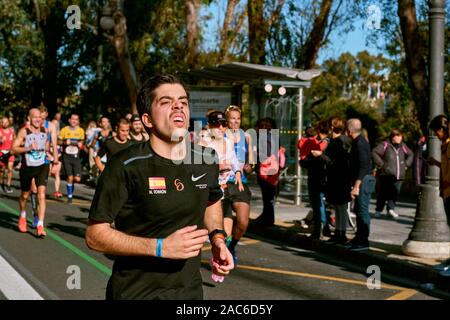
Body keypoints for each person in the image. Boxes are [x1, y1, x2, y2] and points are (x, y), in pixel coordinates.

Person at [86, 74, 233, 300]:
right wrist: (159, 248)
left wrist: (217, 239)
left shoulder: (206, 159)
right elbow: (95, 236)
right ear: (147, 119)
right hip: (135, 294)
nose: (178, 107)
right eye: (166, 102)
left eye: (183, 102)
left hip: (189, 294)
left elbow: (211, 200)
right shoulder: (125, 164)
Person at [198, 111, 243, 240]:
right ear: (209, 126)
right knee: (208, 233)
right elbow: (197, 167)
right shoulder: (203, 143)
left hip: (224, 189)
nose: (221, 128)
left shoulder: (228, 142)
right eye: (216, 125)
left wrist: (238, 173)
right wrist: (217, 167)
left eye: (224, 124)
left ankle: (221, 256)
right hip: (208, 193)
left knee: (227, 233)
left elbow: (234, 160)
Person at [12, 108, 57, 237]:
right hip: (27, 167)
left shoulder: (45, 130)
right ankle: (22, 216)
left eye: (40, 117)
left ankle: (40, 225)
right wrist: (28, 148)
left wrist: (49, 155)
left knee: (41, 194)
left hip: (42, 166)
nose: (38, 120)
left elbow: (46, 145)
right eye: (35, 117)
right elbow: (13, 149)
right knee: (25, 195)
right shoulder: (24, 132)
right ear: (29, 118)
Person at [223, 105, 254, 265]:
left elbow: (251, 160)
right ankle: (221, 250)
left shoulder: (246, 136)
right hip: (224, 183)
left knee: (243, 222)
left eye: (238, 118)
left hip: (241, 183)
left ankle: (232, 246)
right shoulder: (221, 136)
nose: (235, 121)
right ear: (227, 120)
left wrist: (250, 166)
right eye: (232, 118)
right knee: (222, 225)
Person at [314, 117, 352, 244]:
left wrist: (321, 155)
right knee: (339, 206)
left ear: (332, 127)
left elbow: (334, 162)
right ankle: (339, 233)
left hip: (338, 178)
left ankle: (340, 233)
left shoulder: (338, 142)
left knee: (340, 207)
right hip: (341, 178)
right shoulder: (345, 141)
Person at [345, 118, 376, 251]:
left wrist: (356, 186)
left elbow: (363, 167)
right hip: (362, 180)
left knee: (362, 211)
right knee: (358, 210)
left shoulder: (360, 143)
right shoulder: (358, 141)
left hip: (363, 180)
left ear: (349, 130)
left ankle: (363, 241)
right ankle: (359, 238)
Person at [372, 129, 413, 219]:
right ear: (392, 137)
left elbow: (411, 154)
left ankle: (390, 209)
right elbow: (375, 152)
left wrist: (406, 165)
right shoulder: (385, 144)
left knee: (394, 192)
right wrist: (382, 165)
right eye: (397, 136)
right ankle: (378, 210)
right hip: (386, 174)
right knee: (383, 193)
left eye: (400, 136)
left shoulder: (403, 146)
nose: (399, 138)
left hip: (399, 175)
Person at [428, 115, 450, 275]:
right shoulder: (446, 145)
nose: (436, 135)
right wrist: (436, 163)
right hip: (447, 191)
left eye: (437, 131)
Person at [254, 117, 286, 227]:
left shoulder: (264, 137)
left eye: (257, 126)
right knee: (269, 196)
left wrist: (254, 152)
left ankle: (268, 218)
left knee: (267, 196)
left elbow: (264, 154)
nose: (256, 129)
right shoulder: (274, 136)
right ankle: (267, 216)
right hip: (273, 170)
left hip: (265, 170)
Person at [302, 120, 330, 239]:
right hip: (321, 176)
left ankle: (320, 228)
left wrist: (306, 160)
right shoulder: (327, 142)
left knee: (317, 204)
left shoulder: (323, 143)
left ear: (319, 130)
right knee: (319, 204)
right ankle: (323, 227)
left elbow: (314, 157)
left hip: (317, 177)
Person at [58, 113, 85, 204]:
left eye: (76, 119)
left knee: (77, 179)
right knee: (69, 176)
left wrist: (81, 144)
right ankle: (70, 196)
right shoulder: (64, 130)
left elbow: (82, 143)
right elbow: (59, 141)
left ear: (78, 121)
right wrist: (65, 142)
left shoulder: (81, 131)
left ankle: (71, 184)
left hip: (76, 157)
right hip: (66, 157)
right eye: (72, 119)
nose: (74, 121)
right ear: (69, 120)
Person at [0, 116, 15, 193]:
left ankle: (8, 185)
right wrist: (1, 140)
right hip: (2, 152)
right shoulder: (0, 131)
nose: (5, 123)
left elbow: (15, 141)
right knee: (2, 170)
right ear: (1, 123)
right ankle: (1, 183)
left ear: (9, 123)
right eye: (3, 122)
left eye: (6, 122)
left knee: (10, 169)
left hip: (10, 152)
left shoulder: (11, 131)